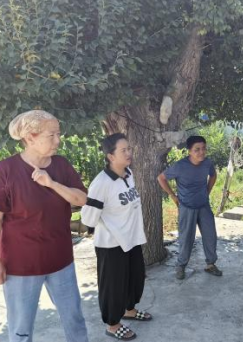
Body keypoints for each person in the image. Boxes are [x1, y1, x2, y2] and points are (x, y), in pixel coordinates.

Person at [0, 110, 89, 342]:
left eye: (58, 134)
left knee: (74, 320)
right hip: (21, 266)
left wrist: (52, 183)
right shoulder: (5, 170)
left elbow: (80, 199)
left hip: (61, 261)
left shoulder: (61, 165)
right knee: (21, 328)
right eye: (51, 135)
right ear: (30, 137)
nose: (58, 140)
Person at [81, 133, 151, 341]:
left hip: (132, 239)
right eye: (124, 150)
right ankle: (112, 324)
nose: (129, 153)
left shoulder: (129, 174)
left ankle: (129, 310)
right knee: (113, 286)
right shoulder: (101, 183)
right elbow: (89, 219)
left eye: (129, 148)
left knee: (134, 279)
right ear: (111, 156)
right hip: (111, 244)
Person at [157, 135, 221, 280]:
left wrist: (207, 191)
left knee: (210, 235)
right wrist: (173, 196)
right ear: (189, 151)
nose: (201, 152)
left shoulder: (207, 163)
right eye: (197, 149)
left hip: (203, 205)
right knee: (186, 238)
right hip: (187, 207)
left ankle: (210, 264)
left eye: (204, 148)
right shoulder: (180, 166)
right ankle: (181, 266)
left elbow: (213, 175)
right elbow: (161, 178)